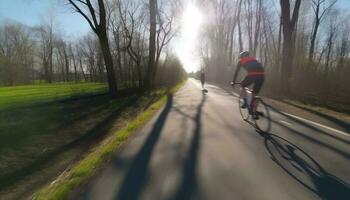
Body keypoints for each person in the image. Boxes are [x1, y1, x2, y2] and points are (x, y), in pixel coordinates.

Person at [231, 51, 265, 119]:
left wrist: (233, 82)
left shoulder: (241, 61)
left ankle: (245, 102)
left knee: (242, 85)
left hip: (252, 75)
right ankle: (253, 111)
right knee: (254, 94)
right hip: (262, 76)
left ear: (241, 57)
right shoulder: (254, 59)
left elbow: (236, 72)